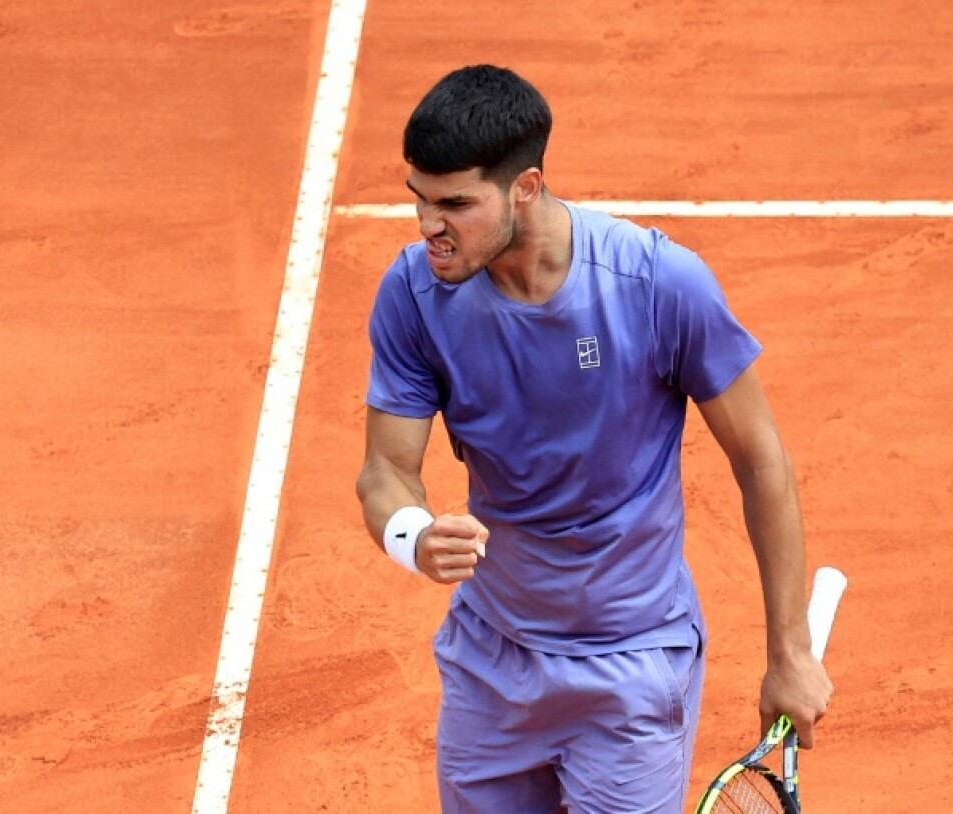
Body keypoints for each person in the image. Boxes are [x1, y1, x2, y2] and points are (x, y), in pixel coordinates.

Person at [355, 64, 832, 814]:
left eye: (454, 204)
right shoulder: (415, 295)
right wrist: (411, 533)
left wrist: (790, 653)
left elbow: (761, 459)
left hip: (631, 670)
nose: (427, 228)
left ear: (526, 186)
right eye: (418, 200)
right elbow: (385, 468)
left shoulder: (657, 285)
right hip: (492, 663)